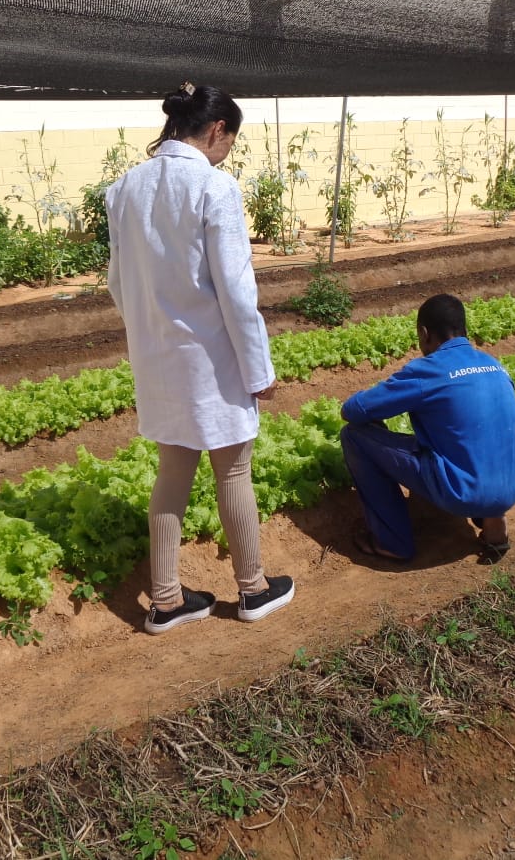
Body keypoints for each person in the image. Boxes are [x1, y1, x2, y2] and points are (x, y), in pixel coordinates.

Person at [106, 82, 295, 634]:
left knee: (172, 471)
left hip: (157, 357)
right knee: (233, 468)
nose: (227, 152)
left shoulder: (124, 189)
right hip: (211, 359)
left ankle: (165, 600)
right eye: (229, 141)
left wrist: (149, 332)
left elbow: (119, 283)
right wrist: (259, 370)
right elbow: (237, 291)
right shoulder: (215, 188)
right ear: (216, 130)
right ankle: (254, 589)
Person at [339, 293, 515, 562]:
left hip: (465, 492)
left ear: (424, 333)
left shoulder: (428, 371)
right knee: (478, 437)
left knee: (354, 436)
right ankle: (494, 522)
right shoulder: (494, 364)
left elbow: (353, 410)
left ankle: (392, 543)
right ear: (464, 329)